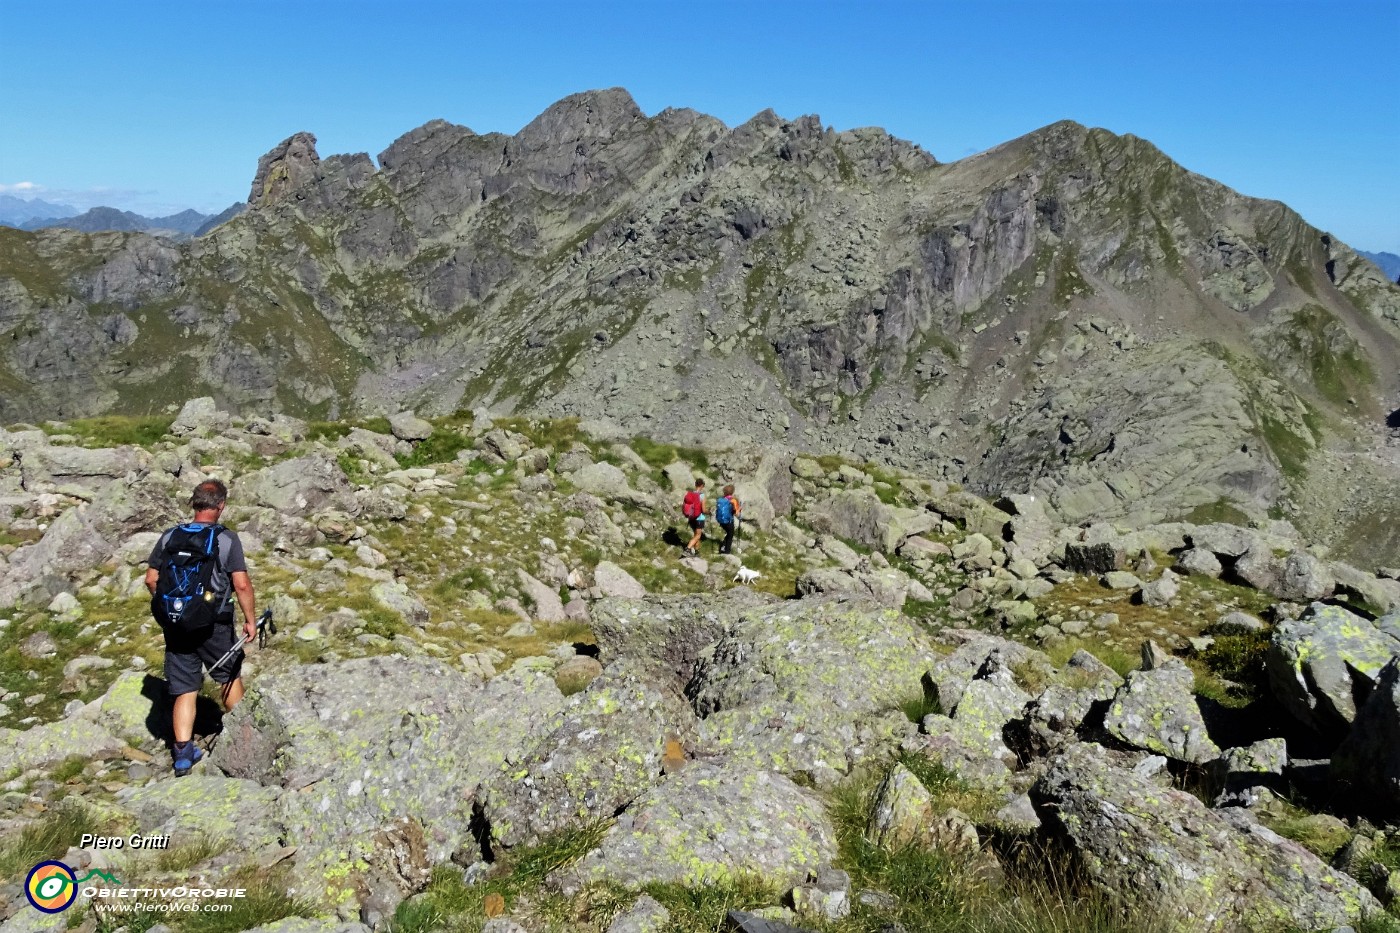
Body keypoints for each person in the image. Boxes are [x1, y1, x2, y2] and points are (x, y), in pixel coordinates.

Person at [145, 479, 257, 776]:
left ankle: (182, 754)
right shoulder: (226, 539)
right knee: (228, 676)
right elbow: (241, 584)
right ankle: (248, 737)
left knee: (184, 687)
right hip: (214, 624)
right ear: (221, 506)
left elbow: (150, 579)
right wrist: (250, 619)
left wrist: (172, 610)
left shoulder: (170, 536)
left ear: (194, 504)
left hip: (176, 626)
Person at [682, 477, 706, 556]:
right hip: (699, 517)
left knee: (696, 534)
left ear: (695, 484)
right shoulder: (702, 495)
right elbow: (703, 509)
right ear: (702, 485)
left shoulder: (690, 494)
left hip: (691, 517)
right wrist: (709, 512)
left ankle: (696, 551)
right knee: (698, 535)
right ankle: (688, 549)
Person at [716, 484, 742, 554]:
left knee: (728, 533)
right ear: (732, 492)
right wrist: (739, 509)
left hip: (721, 521)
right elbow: (736, 513)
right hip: (729, 521)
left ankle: (723, 545)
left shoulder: (721, 499)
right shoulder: (733, 500)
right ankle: (727, 552)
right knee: (730, 535)